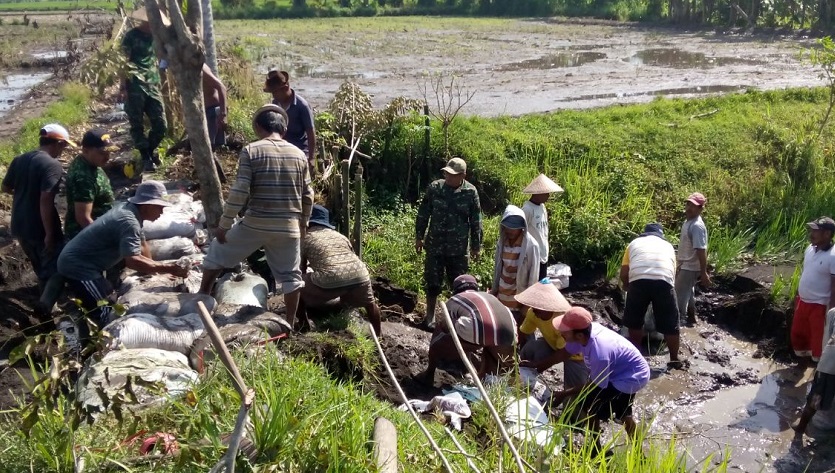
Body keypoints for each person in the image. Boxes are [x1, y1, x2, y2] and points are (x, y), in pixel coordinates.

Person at [199, 104, 314, 328]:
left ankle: (202, 297)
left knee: (216, 252)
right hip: (288, 227)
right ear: (283, 128)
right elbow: (307, 195)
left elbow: (240, 190)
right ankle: (288, 324)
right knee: (291, 278)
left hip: (255, 224)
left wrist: (224, 224)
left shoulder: (252, 150)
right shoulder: (299, 155)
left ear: (260, 127)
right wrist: (303, 224)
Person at [57, 181, 189, 327]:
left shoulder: (131, 211)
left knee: (111, 299)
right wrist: (168, 268)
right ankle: (84, 336)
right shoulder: (128, 221)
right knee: (105, 311)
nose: (161, 213)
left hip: (89, 263)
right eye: (159, 208)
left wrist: (157, 273)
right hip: (79, 267)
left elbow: (142, 244)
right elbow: (132, 261)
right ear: (147, 205)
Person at [552, 307, 650, 455]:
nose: (560, 333)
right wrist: (538, 366)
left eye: (564, 331)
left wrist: (564, 394)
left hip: (632, 377)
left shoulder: (599, 352)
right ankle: (596, 446)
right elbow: (565, 353)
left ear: (578, 335)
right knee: (590, 404)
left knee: (615, 412)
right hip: (619, 370)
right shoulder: (583, 333)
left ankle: (635, 453)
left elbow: (595, 385)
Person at [1, 124, 74, 315]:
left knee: (40, 267)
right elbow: (46, 199)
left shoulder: (20, 159)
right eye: (63, 146)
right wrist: (50, 233)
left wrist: (24, 193)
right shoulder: (52, 165)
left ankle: (48, 304)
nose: (63, 151)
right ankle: (46, 308)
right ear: (57, 143)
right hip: (39, 226)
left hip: (19, 224)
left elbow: (6, 188)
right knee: (59, 267)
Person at [415, 157, 483, 328]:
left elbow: (476, 220)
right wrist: (419, 237)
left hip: (458, 249)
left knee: (460, 285)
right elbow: (424, 213)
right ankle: (430, 317)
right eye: (447, 174)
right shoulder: (435, 188)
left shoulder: (470, 192)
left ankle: (457, 321)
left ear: (463, 175)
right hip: (435, 246)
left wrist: (476, 246)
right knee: (433, 282)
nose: (449, 177)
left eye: (453, 175)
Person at [417, 274, 517, 385]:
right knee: (489, 343)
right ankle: (489, 382)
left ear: (455, 290)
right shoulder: (491, 297)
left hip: (476, 331)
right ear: (476, 288)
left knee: (442, 328)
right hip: (510, 333)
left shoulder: (454, 299)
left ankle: (429, 373)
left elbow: (447, 326)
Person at [299, 204, 382, 335]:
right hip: (360, 274)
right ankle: (379, 335)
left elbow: (301, 269)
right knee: (370, 304)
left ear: (308, 223)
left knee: (295, 284)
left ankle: (303, 325)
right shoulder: (340, 236)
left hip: (331, 277)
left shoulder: (305, 238)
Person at [621, 223, 686, 369]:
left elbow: (624, 273)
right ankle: (674, 359)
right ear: (661, 235)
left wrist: (627, 285)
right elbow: (672, 272)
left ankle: (635, 358)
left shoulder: (633, 244)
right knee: (671, 322)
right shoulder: (668, 246)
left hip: (638, 280)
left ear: (644, 234)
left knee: (634, 321)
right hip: (663, 281)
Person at [515, 279, 589, 390]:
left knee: (573, 390)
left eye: (538, 309)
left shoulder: (563, 318)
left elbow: (565, 353)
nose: (534, 311)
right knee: (531, 348)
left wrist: (539, 365)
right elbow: (523, 333)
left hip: (574, 355)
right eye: (534, 308)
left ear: (548, 307)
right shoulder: (533, 313)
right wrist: (514, 353)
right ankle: (525, 381)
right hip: (553, 344)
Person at [120, 8, 167, 172]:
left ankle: (148, 151)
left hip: (153, 85)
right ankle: (146, 157)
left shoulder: (157, 37)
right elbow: (123, 62)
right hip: (135, 85)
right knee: (136, 124)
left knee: (161, 125)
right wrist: (123, 87)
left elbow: (162, 57)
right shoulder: (131, 36)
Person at [791, 217, 835, 364]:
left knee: (818, 341)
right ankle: (802, 365)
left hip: (820, 306)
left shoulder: (833, 256)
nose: (812, 233)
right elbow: (806, 273)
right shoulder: (809, 249)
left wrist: (832, 312)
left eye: (816, 231)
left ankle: (818, 373)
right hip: (802, 302)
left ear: (827, 234)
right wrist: (797, 295)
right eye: (812, 230)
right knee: (798, 335)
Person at [64, 129, 117, 240]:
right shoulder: (83, 177)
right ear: (85, 151)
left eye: (109, 152)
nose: (107, 157)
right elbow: (84, 219)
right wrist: (107, 242)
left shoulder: (91, 164)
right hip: (88, 236)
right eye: (102, 153)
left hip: (102, 225)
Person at [491, 205, 540, 321]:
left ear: (521, 228)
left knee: (522, 333)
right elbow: (498, 269)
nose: (510, 231)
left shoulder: (531, 246)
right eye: (508, 227)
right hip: (502, 298)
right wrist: (494, 291)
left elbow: (533, 277)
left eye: (514, 228)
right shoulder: (502, 242)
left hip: (519, 301)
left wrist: (527, 304)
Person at [792, 307, 835, 439]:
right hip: (830, 363)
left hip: (829, 365)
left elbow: (826, 340)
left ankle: (801, 427)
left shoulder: (833, 312)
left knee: (815, 398)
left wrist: (821, 362)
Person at [264, 70, 316, 174]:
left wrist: (311, 158)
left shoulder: (302, 106)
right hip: (281, 146)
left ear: (286, 88)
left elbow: (311, 132)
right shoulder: (275, 103)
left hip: (299, 148)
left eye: (275, 92)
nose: (273, 96)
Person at [675, 192, 710, 326]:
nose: (689, 208)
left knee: (677, 298)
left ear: (701, 209)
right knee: (688, 292)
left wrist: (703, 272)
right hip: (685, 265)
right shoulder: (688, 222)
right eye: (688, 204)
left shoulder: (696, 226)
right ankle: (691, 318)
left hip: (689, 267)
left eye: (693, 206)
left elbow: (701, 250)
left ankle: (676, 327)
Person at [522, 174, 563, 280]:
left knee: (541, 284)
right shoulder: (527, 209)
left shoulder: (543, 207)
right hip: (532, 255)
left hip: (543, 253)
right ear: (537, 193)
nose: (548, 196)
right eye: (546, 193)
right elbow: (521, 231)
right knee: (532, 285)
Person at [202, 63, 229, 183]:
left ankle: (217, 179)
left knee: (208, 149)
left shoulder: (200, 67)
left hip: (213, 111)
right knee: (208, 149)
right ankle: (218, 178)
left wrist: (223, 114)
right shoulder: (186, 68)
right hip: (204, 112)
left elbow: (221, 87)